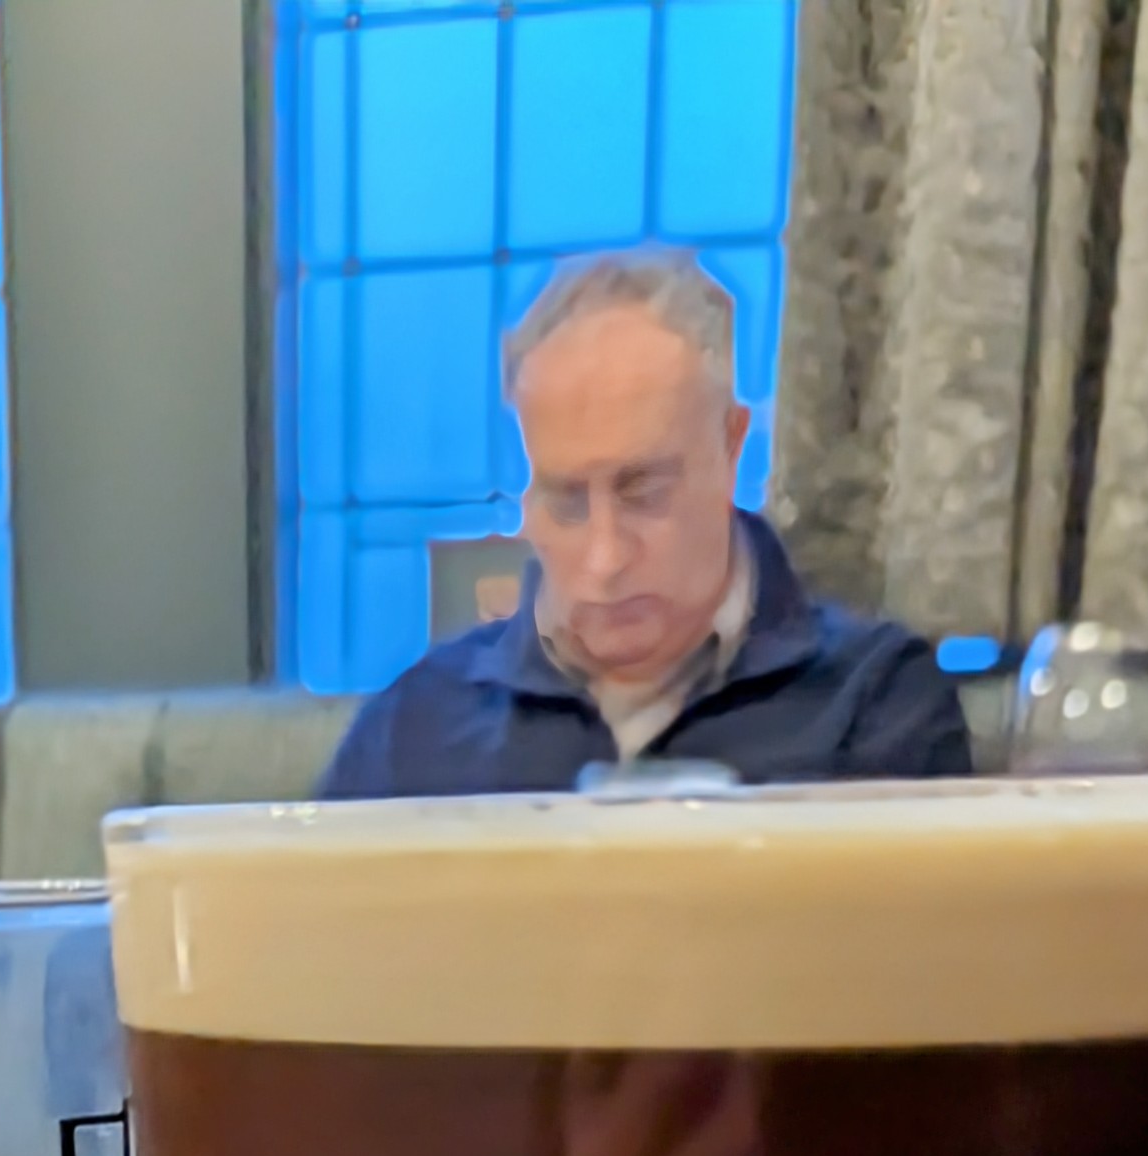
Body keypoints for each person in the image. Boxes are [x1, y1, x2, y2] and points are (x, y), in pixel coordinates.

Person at [320, 250, 972, 799]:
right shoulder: (411, 730)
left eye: (645, 494)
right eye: (568, 502)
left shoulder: (876, 702)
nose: (605, 559)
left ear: (731, 447)